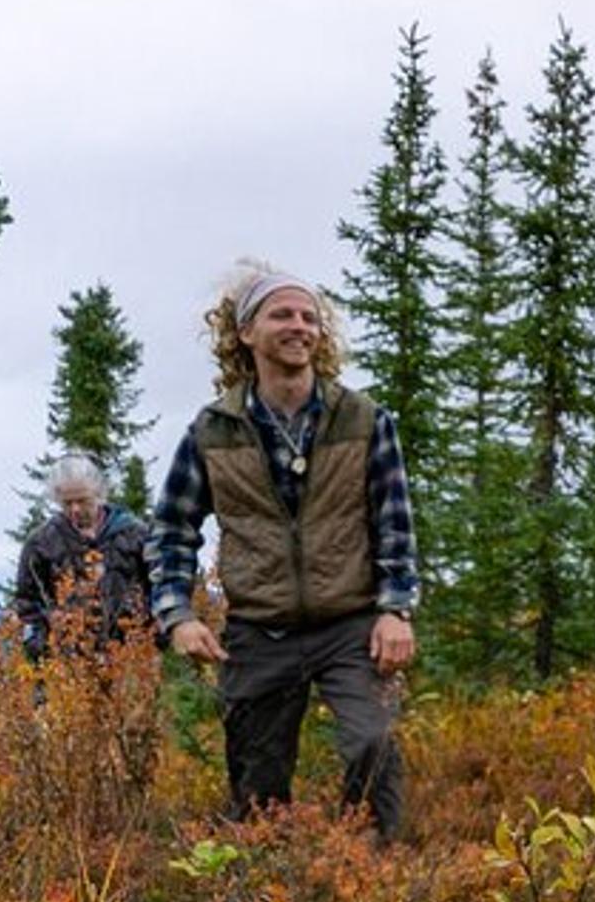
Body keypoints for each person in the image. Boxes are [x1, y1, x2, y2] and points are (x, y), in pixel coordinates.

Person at [147, 265, 420, 840]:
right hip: (259, 629)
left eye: (309, 317)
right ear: (245, 332)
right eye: (282, 314)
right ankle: (267, 895)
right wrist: (179, 615)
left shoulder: (365, 420)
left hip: (351, 624)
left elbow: (394, 523)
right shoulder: (213, 431)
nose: (300, 326)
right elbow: (172, 529)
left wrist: (396, 609)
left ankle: (373, 882)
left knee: (373, 744)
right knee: (257, 783)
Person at [12, 453, 154, 661]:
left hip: (130, 659)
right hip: (65, 664)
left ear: (98, 493)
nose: (75, 509)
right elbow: (27, 604)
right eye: (67, 502)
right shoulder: (41, 543)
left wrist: (150, 638)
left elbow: (159, 588)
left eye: (82, 500)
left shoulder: (136, 534)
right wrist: (45, 643)